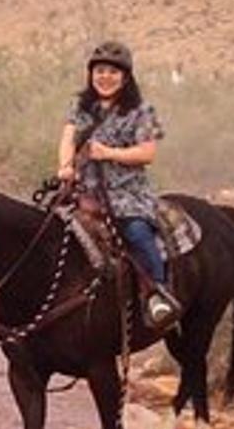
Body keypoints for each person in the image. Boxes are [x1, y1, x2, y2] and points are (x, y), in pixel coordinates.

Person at [55, 40, 177, 330]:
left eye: (112, 71)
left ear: (125, 76)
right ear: (91, 74)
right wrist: (65, 166)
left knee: (137, 233)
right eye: (99, 71)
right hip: (84, 191)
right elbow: (68, 140)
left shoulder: (141, 111)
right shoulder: (80, 106)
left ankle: (157, 295)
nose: (105, 77)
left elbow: (147, 153)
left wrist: (109, 153)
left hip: (127, 194)